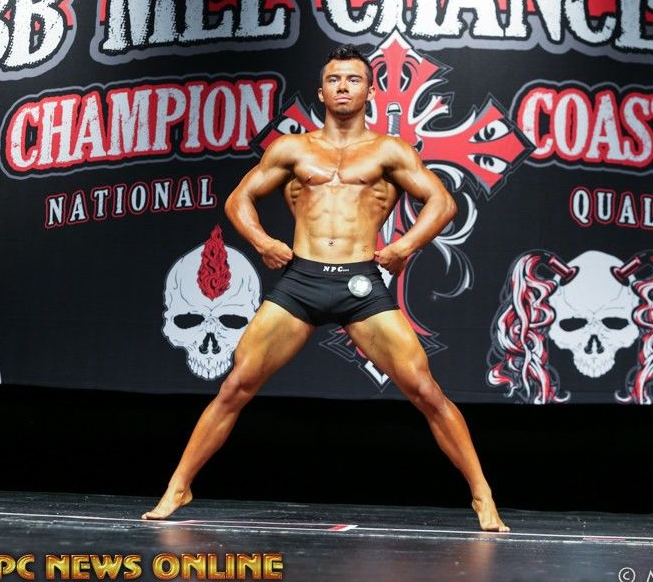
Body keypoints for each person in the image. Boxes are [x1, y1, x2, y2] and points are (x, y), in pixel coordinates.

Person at [142, 45, 508, 532]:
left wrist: (405, 246)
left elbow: (442, 204)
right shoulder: (293, 149)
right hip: (301, 281)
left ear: (370, 91)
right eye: (334, 79)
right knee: (236, 385)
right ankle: (178, 487)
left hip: (361, 284)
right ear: (321, 91)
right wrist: (263, 242)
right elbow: (238, 200)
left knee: (425, 389)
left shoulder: (389, 151)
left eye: (353, 80)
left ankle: (482, 494)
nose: (343, 87)